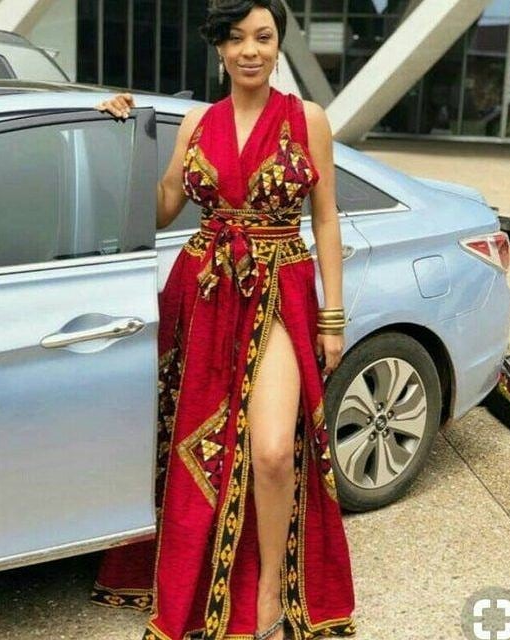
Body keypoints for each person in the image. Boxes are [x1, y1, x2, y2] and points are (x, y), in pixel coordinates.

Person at [91, 1, 357, 639]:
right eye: (236, 39)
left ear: (278, 44)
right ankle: (201, 563)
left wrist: (333, 316)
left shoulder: (306, 118)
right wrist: (121, 139)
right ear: (219, 48)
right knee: (195, 446)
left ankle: (271, 585)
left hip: (279, 288)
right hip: (204, 291)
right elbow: (162, 207)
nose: (250, 51)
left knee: (273, 450)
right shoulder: (197, 122)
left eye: (263, 37)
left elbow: (325, 217)